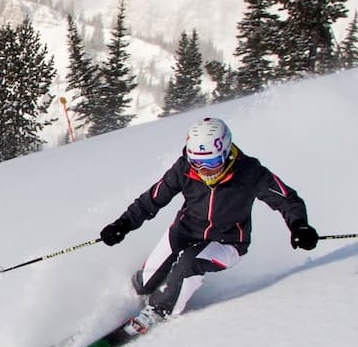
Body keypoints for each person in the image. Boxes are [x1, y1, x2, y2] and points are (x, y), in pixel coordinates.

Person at [97, 117, 318, 322]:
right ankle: (126, 304)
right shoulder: (183, 169)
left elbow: (287, 199)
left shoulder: (250, 172)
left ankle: (157, 312)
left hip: (227, 243)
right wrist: (123, 224)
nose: (204, 171)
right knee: (145, 283)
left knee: (189, 263)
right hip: (183, 232)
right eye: (197, 163)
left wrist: (300, 226)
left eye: (211, 163)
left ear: (226, 153)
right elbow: (152, 200)